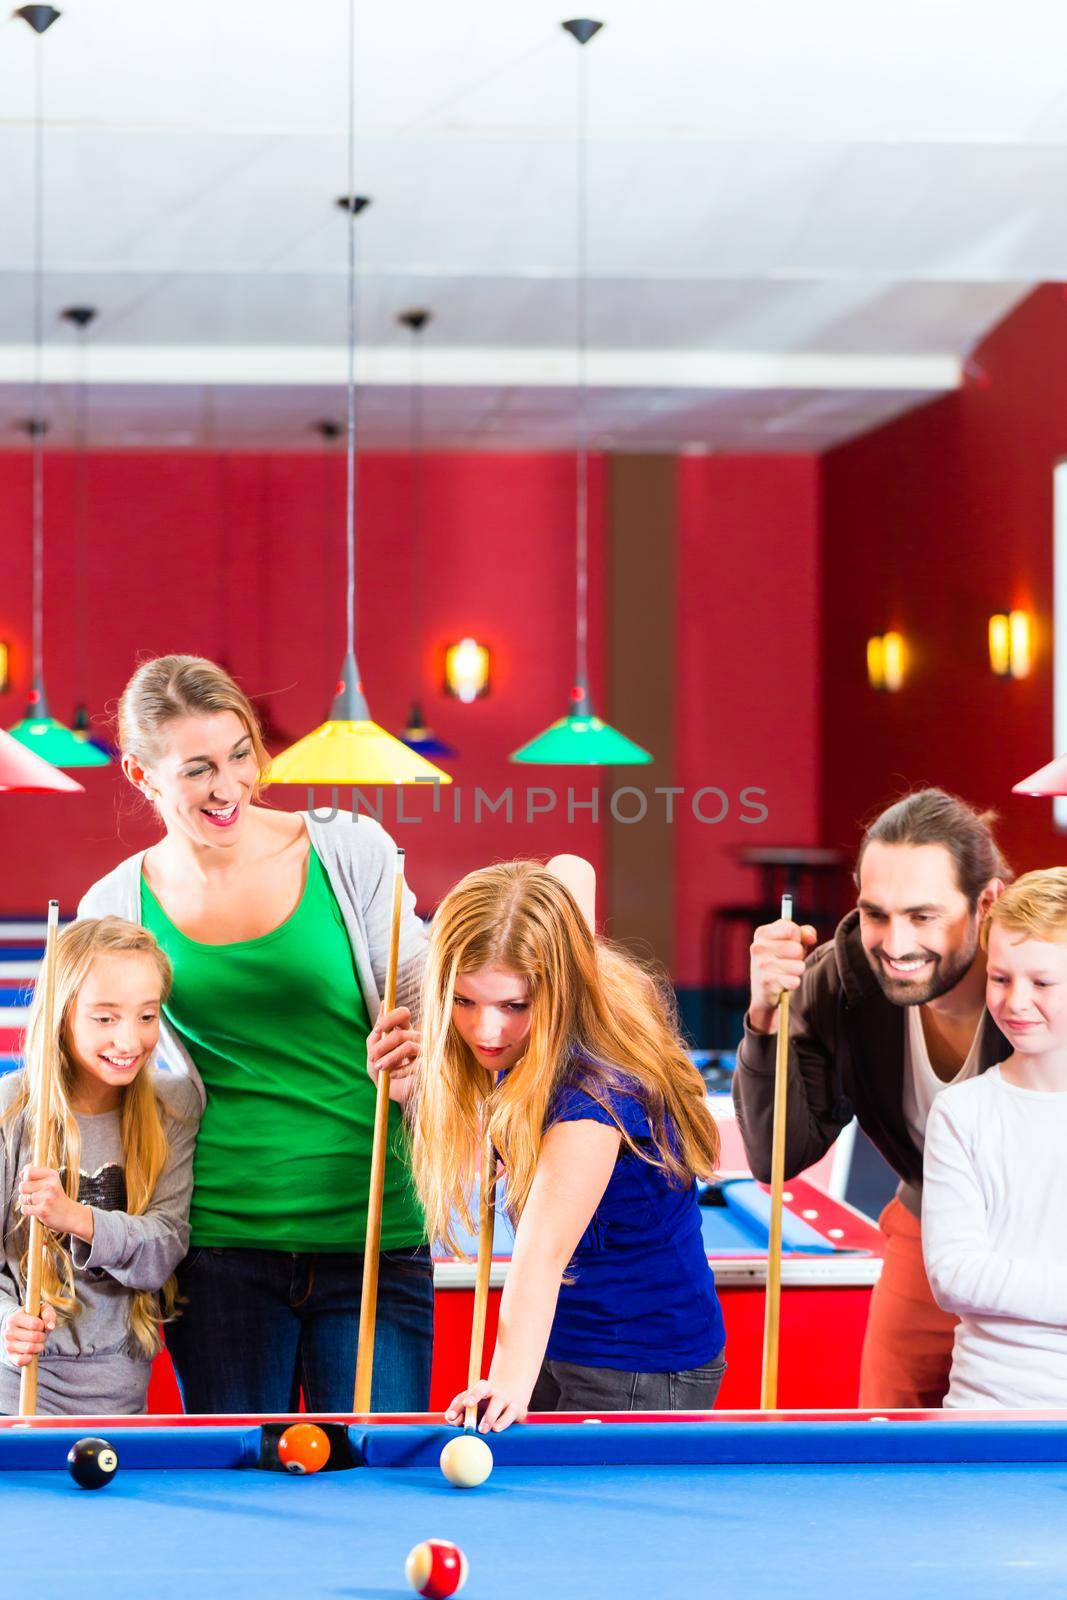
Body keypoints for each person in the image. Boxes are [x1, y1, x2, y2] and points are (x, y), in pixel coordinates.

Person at [78, 654, 432, 1413]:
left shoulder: (351, 850)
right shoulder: (114, 905)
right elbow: (78, 1077)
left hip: (374, 1230)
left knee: (380, 1486)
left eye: (240, 754)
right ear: (143, 777)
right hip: (217, 1242)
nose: (230, 785)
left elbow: (430, 1009)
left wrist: (422, 1058)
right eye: (199, 768)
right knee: (247, 1491)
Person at [405, 860, 726, 1431]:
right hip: (570, 1334)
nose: (485, 1032)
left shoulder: (590, 1097)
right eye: (464, 1001)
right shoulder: (564, 980)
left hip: (638, 1363)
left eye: (513, 1005)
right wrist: (417, 1083)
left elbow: (543, 1255)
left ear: (558, 986)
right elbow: (572, 870)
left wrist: (504, 1380)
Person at [733, 788, 1011, 1408]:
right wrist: (764, 1019)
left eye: (923, 916)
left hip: (1041, 1237)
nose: (895, 943)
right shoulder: (839, 977)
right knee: (890, 1434)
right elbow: (777, 1155)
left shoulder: (1038, 978)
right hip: (929, 1220)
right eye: (876, 913)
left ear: (985, 901)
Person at [0, 917, 200, 1415]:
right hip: (16, 1389)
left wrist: (77, 1218)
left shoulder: (172, 1107)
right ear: (63, 1014)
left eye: (147, 1016)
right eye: (105, 1018)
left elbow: (163, 1249)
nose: (129, 1041)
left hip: (117, 1396)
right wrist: (6, 1321)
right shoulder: (11, 1109)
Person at [923, 869, 1067, 1407]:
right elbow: (956, 1275)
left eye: (1043, 983)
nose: (1015, 1001)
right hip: (989, 1407)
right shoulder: (963, 1111)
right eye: (1001, 978)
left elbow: (982, 1274)